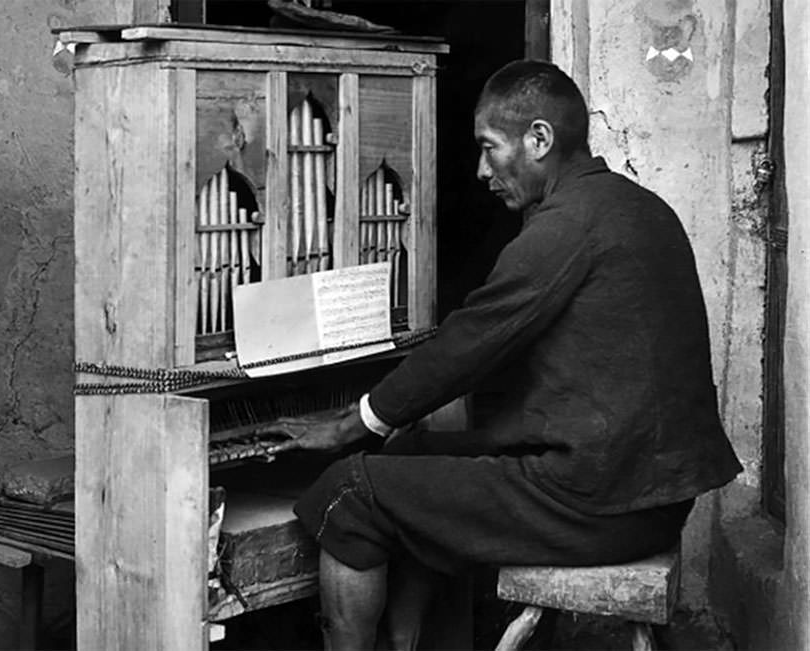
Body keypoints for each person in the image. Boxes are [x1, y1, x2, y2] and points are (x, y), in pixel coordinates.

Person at [260, 59, 742, 651]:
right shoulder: (638, 207)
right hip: (646, 494)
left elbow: (470, 343)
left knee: (349, 491)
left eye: (490, 149)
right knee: (411, 452)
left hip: (597, 504)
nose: (481, 171)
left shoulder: (565, 228)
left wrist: (349, 423)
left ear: (539, 139)